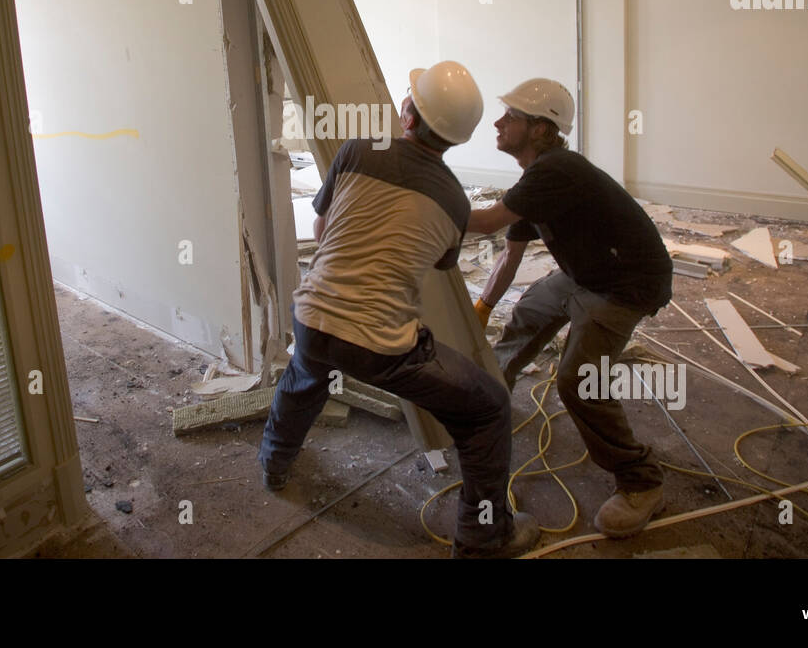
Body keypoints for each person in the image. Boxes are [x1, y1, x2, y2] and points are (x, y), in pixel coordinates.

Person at [258, 61, 540, 558]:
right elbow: (433, 262)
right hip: (380, 348)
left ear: (408, 115)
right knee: (488, 408)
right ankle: (482, 538)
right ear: (455, 140)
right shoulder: (455, 200)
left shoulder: (357, 150)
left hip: (313, 317)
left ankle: (274, 465)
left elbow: (323, 235)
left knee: (306, 376)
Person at [467, 78, 673, 538]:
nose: (498, 123)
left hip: (626, 286)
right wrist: (484, 304)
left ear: (541, 129)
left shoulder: (556, 170)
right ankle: (491, 404)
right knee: (528, 312)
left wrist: (422, 202)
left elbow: (484, 224)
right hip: (584, 274)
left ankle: (642, 481)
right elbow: (509, 253)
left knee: (577, 381)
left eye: (511, 117)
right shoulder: (536, 179)